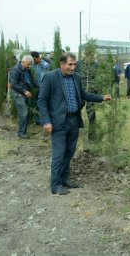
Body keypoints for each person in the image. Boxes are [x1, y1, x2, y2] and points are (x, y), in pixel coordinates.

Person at [37, 53, 112, 195]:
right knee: (59, 155)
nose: (73, 67)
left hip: (74, 121)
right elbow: (41, 101)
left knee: (69, 153)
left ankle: (65, 179)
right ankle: (56, 185)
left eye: (74, 64)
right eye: (70, 64)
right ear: (62, 64)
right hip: (58, 123)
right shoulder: (50, 77)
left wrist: (102, 98)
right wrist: (46, 121)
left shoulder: (76, 77)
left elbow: (83, 95)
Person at [10, 55, 38, 139]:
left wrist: (42, 86)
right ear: (23, 62)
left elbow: (32, 81)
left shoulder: (27, 69)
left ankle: (23, 131)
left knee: (26, 112)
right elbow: (14, 83)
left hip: (24, 93)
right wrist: (24, 91)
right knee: (24, 112)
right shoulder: (15, 70)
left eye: (31, 65)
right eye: (28, 64)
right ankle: (21, 133)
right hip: (18, 93)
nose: (29, 66)